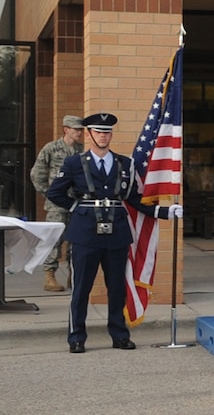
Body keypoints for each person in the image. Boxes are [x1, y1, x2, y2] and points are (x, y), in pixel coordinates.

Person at [43, 112, 182, 353]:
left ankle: (119, 335)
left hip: (116, 232)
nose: (103, 136)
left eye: (107, 132)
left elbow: (135, 199)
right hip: (85, 233)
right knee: (81, 289)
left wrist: (163, 212)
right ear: (89, 134)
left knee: (117, 288)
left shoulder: (125, 164)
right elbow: (54, 192)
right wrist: (77, 207)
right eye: (98, 132)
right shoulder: (74, 163)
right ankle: (76, 337)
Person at [29, 115, 86, 293]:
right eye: (76, 129)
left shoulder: (82, 151)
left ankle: (72, 274)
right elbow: (36, 173)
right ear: (66, 129)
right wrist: (48, 193)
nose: (79, 132)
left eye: (81, 129)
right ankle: (50, 275)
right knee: (54, 239)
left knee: (75, 240)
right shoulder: (51, 148)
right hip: (57, 204)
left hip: (76, 201)